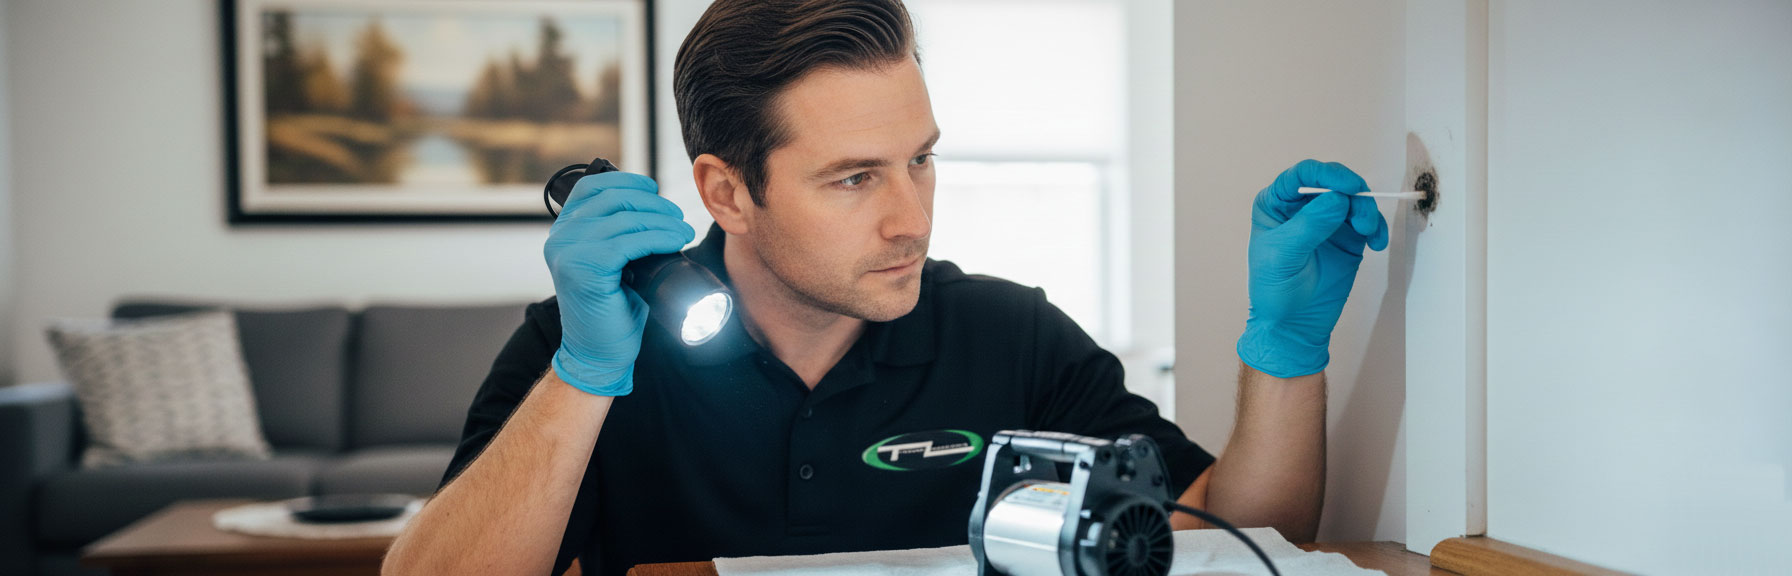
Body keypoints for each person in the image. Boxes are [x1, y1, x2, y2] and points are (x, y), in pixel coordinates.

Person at [381, 0, 1388, 574]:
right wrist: (586, 377)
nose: (911, 215)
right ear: (726, 191)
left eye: (921, 160)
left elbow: (1251, 536)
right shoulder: (594, 341)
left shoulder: (1009, 333)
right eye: (855, 177)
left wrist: (1284, 348)